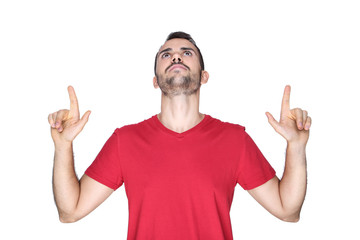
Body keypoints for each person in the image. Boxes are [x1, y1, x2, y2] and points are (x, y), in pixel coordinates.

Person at [48, 31, 312, 240]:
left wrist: (296, 147)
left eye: (186, 53)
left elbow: (287, 211)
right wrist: (63, 146)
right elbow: (70, 212)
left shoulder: (235, 140)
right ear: (155, 80)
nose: (176, 57)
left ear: (204, 76)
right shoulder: (125, 141)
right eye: (166, 54)